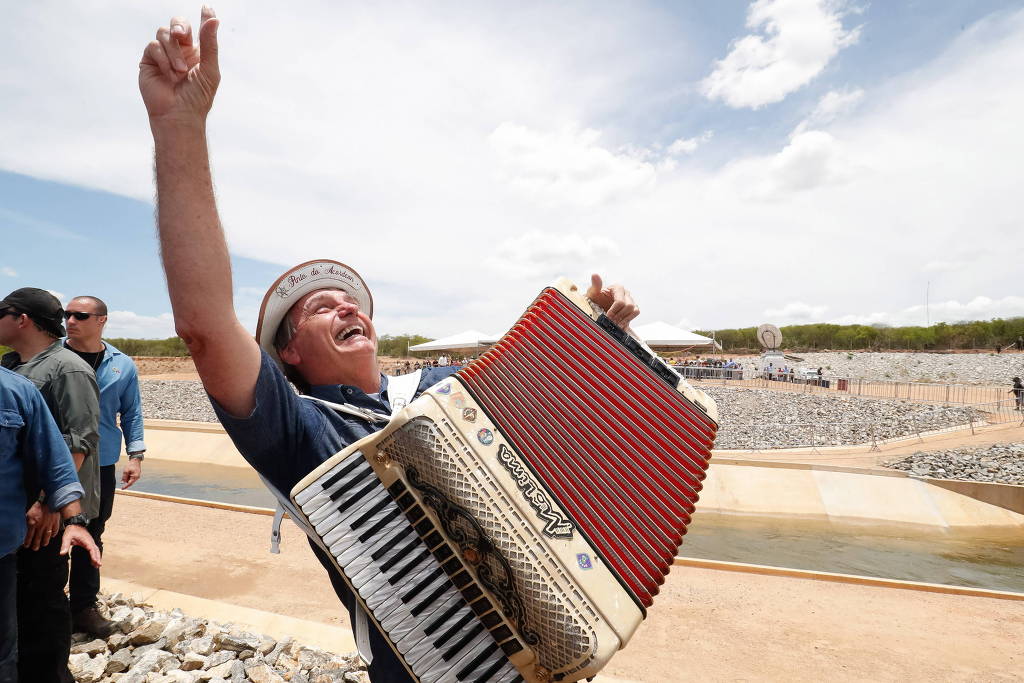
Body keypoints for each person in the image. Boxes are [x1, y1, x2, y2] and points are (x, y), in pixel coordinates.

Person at [138, 9, 640, 681]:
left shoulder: (454, 386)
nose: (346, 305)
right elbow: (203, 324)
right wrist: (179, 128)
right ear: (287, 352)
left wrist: (611, 348)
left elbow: (582, 435)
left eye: (353, 302)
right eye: (321, 308)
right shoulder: (301, 432)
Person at [0, 288, 101, 682]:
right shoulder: (14, 367)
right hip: (16, 514)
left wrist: (49, 503)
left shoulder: (67, 368)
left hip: (45, 513)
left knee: (42, 598)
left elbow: (78, 442)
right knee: (21, 602)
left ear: (22, 318)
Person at [63, 296, 147, 637]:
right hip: (60, 460)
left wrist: (136, 455)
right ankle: (45, 606)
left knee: (93, 532)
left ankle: (82, 607)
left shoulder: (121, 365)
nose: (70, 321)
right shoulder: (53, 358)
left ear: (101, 320)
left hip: (102, 462)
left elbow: (132, 412)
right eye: (66, 314)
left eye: (80, 315)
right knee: (49, 532)